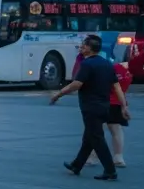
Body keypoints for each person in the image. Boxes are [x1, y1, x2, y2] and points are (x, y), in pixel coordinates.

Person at [51, 34, 126, 180]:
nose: (81, 48)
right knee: (89, 138)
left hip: (91, 107)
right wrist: (123, 106)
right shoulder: (107, 64)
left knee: (96, 138)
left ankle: (110, 170)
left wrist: (59, 93)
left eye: (84, 46)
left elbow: (77, 84)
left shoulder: (87, 64)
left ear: (90, 49)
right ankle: (77, 165)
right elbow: (117, 87)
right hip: (105, 106)